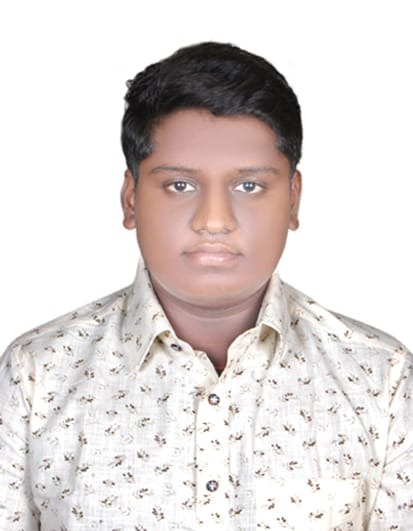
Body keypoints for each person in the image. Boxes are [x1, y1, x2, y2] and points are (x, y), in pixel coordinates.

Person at [0, 42, 411, 531]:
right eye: (180, 185)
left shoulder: (381, 380)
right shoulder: (38, 376)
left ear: (293, 199)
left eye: (248, 186)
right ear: (131, 199)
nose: (214, 220)